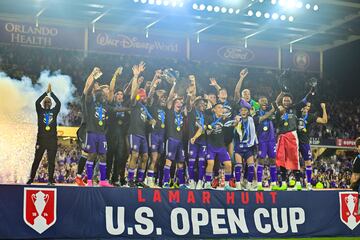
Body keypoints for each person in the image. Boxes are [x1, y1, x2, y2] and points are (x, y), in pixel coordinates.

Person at [27, 83, 61, 185]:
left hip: (52, 140)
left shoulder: (54, 112)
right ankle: (31, 178)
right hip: (41, 140)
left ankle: (50, 180)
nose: (47, 103)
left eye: (48, 101)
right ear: (43, 104)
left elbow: (58, 103)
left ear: (51, 104)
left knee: (51, 162)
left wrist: (52, 94)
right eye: (45, 102)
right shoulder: (40, 111)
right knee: (36, 160)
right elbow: (37, 102)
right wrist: (46, 93)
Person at [84, 67, 112, 187]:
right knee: (91, 155)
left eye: (103, 95)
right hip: (91, 132)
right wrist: (93, 79)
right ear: (97, 95)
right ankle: (89, 180)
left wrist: (129, 109)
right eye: (100, 94)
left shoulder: (105, 107)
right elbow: (88, 91)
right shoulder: (91, 102)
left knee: (103, 156)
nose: (103, 96)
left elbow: (116, 109)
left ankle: (103, 180)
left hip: (101, 135)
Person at [274, 91, 308, 191]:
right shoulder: (278, 111)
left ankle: (298, 183)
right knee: (282, 160)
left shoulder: (295, 108)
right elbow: (277, 123)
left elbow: (304, 101)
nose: (286, 101)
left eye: (288, 100)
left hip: (292, 136)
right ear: (282, 101)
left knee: (294, 159)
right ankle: (284, 183)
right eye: (284, 100)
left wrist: (311, 91)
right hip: (281, 136)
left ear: (291, 101)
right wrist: (280, 111)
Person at [126, 62, 153, 188]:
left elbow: (145, 119)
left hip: (142, 134)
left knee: (145, 156)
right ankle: (130, 179)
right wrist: (136, 76)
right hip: (134, 133)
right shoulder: (135, 103)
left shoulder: (144, 108)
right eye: (143, 95)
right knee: (135, 155)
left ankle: (140, 180)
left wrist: (150, 121)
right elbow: (132, 94)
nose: (144, 97)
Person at [75, 67, 103, 186]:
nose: (97, 85)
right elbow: (87, 85)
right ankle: (78, 177)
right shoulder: (87, 96)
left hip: (95, 130)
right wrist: (92, 73)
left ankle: (88, 176)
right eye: (96, 84)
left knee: (95, 154)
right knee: (86, 153)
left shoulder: (98, 100)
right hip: (86, 128)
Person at [203, 103, 238, 191]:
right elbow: (206, 132)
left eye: (222, 108)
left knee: (229, 164)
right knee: (210, 163)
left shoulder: (225, 119)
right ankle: (207, 184)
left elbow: (233, 124)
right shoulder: (210, 118)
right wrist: (210, 129)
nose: (221, 109)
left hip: (221, 146)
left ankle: (227, 185)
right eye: (218, 108)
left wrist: (237, 121)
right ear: (214, 110)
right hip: (211, 145)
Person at [162, 80, 188, 189]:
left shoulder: (182, 114)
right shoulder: (169, 112)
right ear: (174, 103)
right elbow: (169, 100)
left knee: (181, 163)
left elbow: (188, 105)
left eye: (181, 102)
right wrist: (173, 85)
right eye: (177, 101)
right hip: (171, 139)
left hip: (180, 141)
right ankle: (165, 182)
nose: (179, 103)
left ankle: (180, 183)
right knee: (169, 161)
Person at [297, 102, 328, 190]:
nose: (306, 108)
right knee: (295, 162)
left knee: (308, 163)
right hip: (295, 141)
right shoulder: (296, 114)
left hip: (305, 142)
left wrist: (324, 108)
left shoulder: (311, 116)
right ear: (302, 107)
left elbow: (324, 121)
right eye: (305, 106)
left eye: (308, 107)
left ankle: (309, 183)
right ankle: (297, 183)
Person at [233, 100, 258, 190]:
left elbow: (253, 133)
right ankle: (238, 184)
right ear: (239, 112)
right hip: (239, 146)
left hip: (248, 146)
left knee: (251, 166)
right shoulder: (237, 119)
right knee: (238, 166)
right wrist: (236, 123)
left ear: (248, 112)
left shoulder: (251, 120)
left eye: (245, 110)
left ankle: (249, 183)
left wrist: (254, 145)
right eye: (241, 110)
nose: (243, 112)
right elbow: (233, 129)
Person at [253, 97, 277, 190]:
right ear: (258, 103)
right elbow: (261, 119)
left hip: (271, 140)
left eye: (266, 101)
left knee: (273, 160)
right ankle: (259, 184)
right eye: (262, 101)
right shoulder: (255, 113)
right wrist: (271, 111)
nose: (264, 103)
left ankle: (274, 184)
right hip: (261, 140)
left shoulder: (271, 113)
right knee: (261, 160)